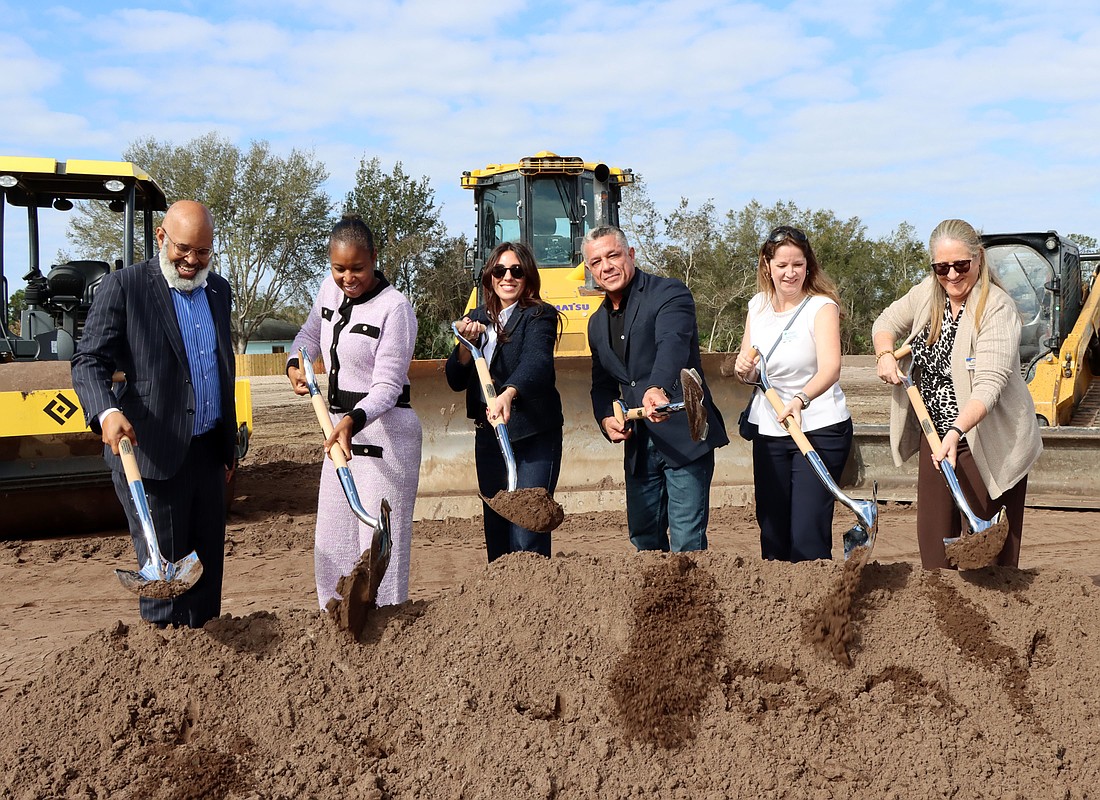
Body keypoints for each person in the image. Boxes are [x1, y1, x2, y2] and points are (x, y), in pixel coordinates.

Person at [71, 199, 237, 628]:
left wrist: (227, 450)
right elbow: (89, 361)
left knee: (206, 580)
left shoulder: (218, 291)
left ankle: (209, 660)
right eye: (183, 248)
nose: (192, 260)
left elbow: (221, 368)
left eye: (203, 251)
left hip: (208, 454)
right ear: (161, 237)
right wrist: (106, 411)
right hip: (151, 456)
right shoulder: (125, 287)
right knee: (166, 588)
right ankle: (166, 662)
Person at [873, 218, 1042, 569]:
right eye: (941, 267)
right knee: (934, 550)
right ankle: (943, 603)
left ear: (978, 258)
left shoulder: (996, 307)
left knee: (989, 557)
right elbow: (885, 323)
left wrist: (956, 432)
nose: (951, 275)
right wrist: (885, 353)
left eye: (961, 265)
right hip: (935, 435)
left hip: (988, 438)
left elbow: (989, 384)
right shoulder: (927, 294)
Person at [287, 214, 422, 608]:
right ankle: (335, 623)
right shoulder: (328, 291)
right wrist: (296, 362)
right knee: (332, 544)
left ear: (374, 258)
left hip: (386, 439)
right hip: (338, 434)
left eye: (358, 268)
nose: (348, 278)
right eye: (339, 268)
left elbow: (387, 387)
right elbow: (309, 334)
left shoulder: (396, 309)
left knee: (379, 552)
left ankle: (387, 626)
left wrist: (352, 420)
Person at [585, 225, 729, 553]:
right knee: (644, 539)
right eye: (596, 262)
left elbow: (672, 344)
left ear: (630, 254)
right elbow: (602, 384)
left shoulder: (668, 293)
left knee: (687, 540)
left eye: (613, 256)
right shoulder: (596, 324)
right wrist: (606, 418)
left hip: (684, 437)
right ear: (590, 270)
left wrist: (657, 387)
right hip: (639, 446)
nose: (606, 267)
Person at [732, 225, 852, 562]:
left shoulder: (821, 307)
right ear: (767, 265)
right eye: (782, 265)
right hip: (770, 430)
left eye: (797, 264)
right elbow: (750, 371)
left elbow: (830, 368)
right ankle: (780, 595)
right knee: (773, 532)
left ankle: (817, 592)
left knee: (806, 534)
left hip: (819, 428)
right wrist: (744, 369)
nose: (790, 273)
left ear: (808, 265)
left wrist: (800, 400)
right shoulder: (757, 306)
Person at [445, 242, 564, 562]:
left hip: (533, 436)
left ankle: (535, 590)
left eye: (516, 271)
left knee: (527, 529)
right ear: (489, 276)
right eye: (499, 270)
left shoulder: (539, 315)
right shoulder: (476, 318)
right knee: (497, 530)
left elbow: (537, 362)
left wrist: (508, 393)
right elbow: (455, 380)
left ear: (528, 276)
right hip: (490, 439)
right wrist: (465, 346)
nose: (507, 277)